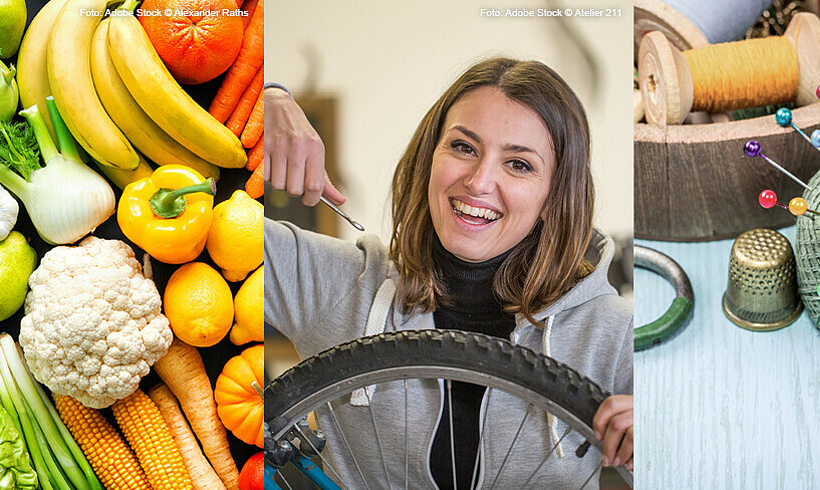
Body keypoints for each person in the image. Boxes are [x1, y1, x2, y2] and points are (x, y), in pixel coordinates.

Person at [260, 57, 633, 488]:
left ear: (554, 198)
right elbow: (197, 228)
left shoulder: (611, 332)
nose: (478, 181)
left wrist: (658, 437)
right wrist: (268, 99)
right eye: (463, 147)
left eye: (519, 164)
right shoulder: (343, 287)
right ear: (429, 158)